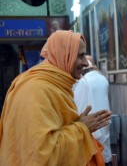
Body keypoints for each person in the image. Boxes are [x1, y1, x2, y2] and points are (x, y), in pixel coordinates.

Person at [0, 30, 112, 166]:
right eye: (80, 56)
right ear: (64, 55)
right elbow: (43, 154)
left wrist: (77, 124)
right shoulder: (37, 89)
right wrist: (82, 128)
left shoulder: (54, 84)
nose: (85, 63)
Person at [73, 55, 113, 166]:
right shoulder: (103, 79)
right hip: (103, 131)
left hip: (92, 140)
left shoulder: (83, 83)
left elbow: (78, 111)